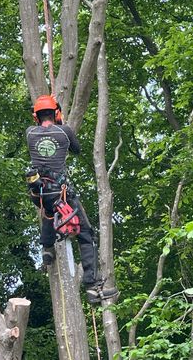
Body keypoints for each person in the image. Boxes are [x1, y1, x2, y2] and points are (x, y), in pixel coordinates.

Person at [25, 94, 117, 303]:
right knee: (86, 234)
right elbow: (76, 149)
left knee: (49, 212)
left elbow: (39, 131)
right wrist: (62, 122)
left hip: (39, 191)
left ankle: (47, 249)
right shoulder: (64, 131)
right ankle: (92, 286)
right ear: (56, 113)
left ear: (36, 117)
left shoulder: (30, 133)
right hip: (61, 192)